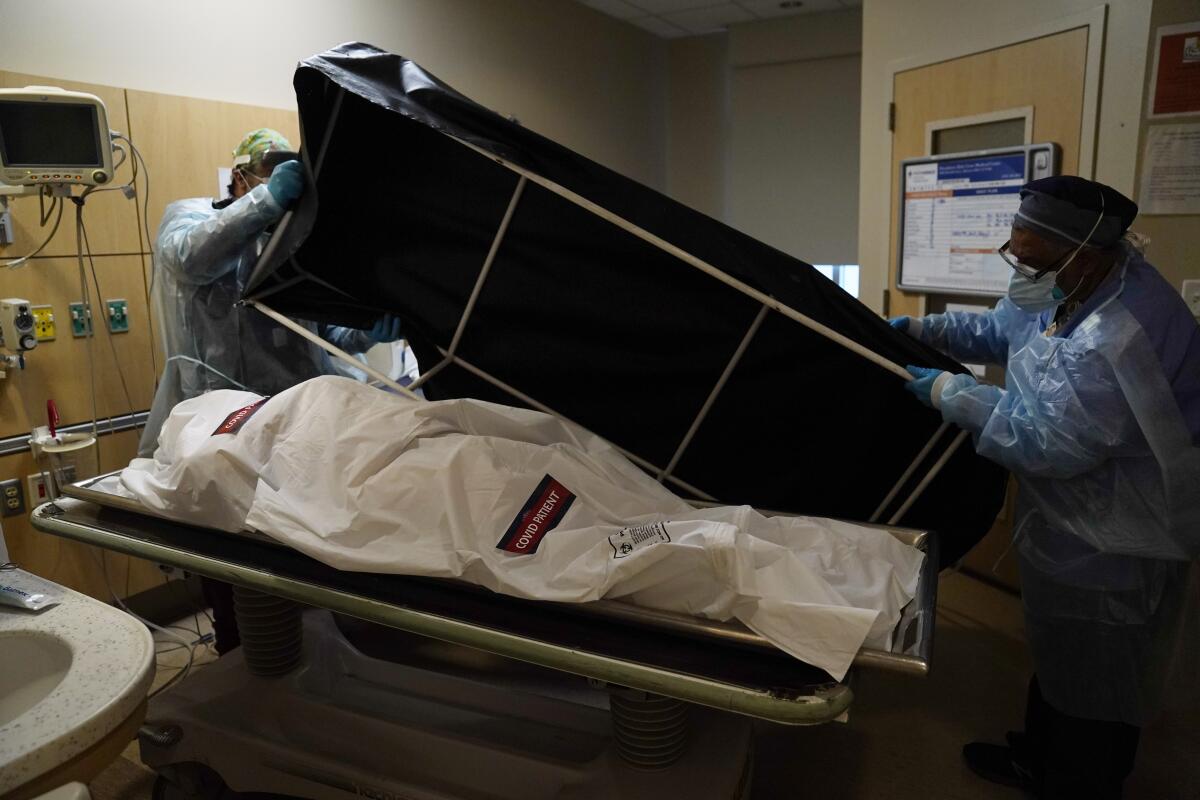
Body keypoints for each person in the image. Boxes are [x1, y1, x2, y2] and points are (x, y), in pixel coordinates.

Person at [891, 176, 1199, 798]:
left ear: (1082, 252)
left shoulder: (1120, 335)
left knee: (1098, 676)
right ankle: (1041, 755)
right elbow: (1006, 328)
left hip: (1115, 540)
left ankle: (1078, 781)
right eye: (1014, 251)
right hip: (1074, 522)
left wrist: (956, 395)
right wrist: (928, 331)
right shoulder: (1075, 283)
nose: (1019, 268)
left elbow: (1048, 445)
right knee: (1061, 653)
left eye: (1029, 258)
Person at [141, 128, 404, 652]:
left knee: (298, 555)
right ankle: (239, 654)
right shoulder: (190, 216)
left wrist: (366, 330)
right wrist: (266, 200)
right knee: (231, 565)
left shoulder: (286, 242)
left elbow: (323, 331)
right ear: (240, 176)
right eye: (268, 173)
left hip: (292, 431)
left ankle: (314, 655)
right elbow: (191, 259)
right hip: (218, 428)